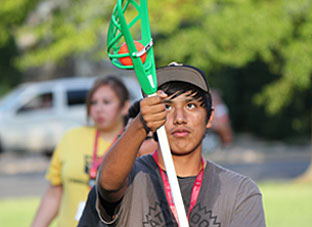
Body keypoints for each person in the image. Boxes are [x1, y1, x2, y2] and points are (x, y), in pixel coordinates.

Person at [94, 62, 266, 226]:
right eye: (166, 107)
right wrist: (139, 125)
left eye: (190, 105)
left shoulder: (240, 192)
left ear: (210, 117)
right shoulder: (131, 178)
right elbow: (108, 183)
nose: (179, 119)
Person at [31, 75, 130, 227]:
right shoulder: (72, 137)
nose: (99, 108)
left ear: (125, 107)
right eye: (93, 102)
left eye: (107, 102)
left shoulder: (133, 144)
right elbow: (54, 192)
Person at [78, 100, 158, 227]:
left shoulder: (186, 185)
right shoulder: (102, 190)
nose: (133, 148)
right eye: (125, 138)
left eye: (145, 138)